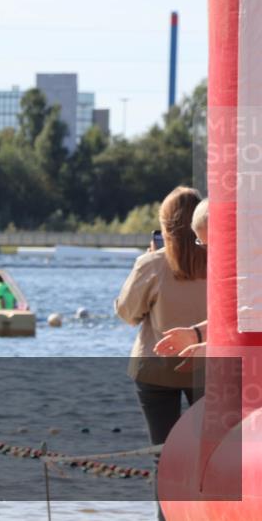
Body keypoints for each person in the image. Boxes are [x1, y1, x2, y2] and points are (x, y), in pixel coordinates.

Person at [114, 186, 207, 521]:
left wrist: (147, 260)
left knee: (164, 456)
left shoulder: (152, 264)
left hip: (155, 369)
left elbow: (127, 313)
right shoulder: (223, 262)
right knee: (209, 454)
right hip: (209, 368)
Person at [154, 198, 209, 365]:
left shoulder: (151, 263)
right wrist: (196, 335)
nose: (209, 253)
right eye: (203, 245)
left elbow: (128, 311)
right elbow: (233, 319)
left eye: (213, 245)